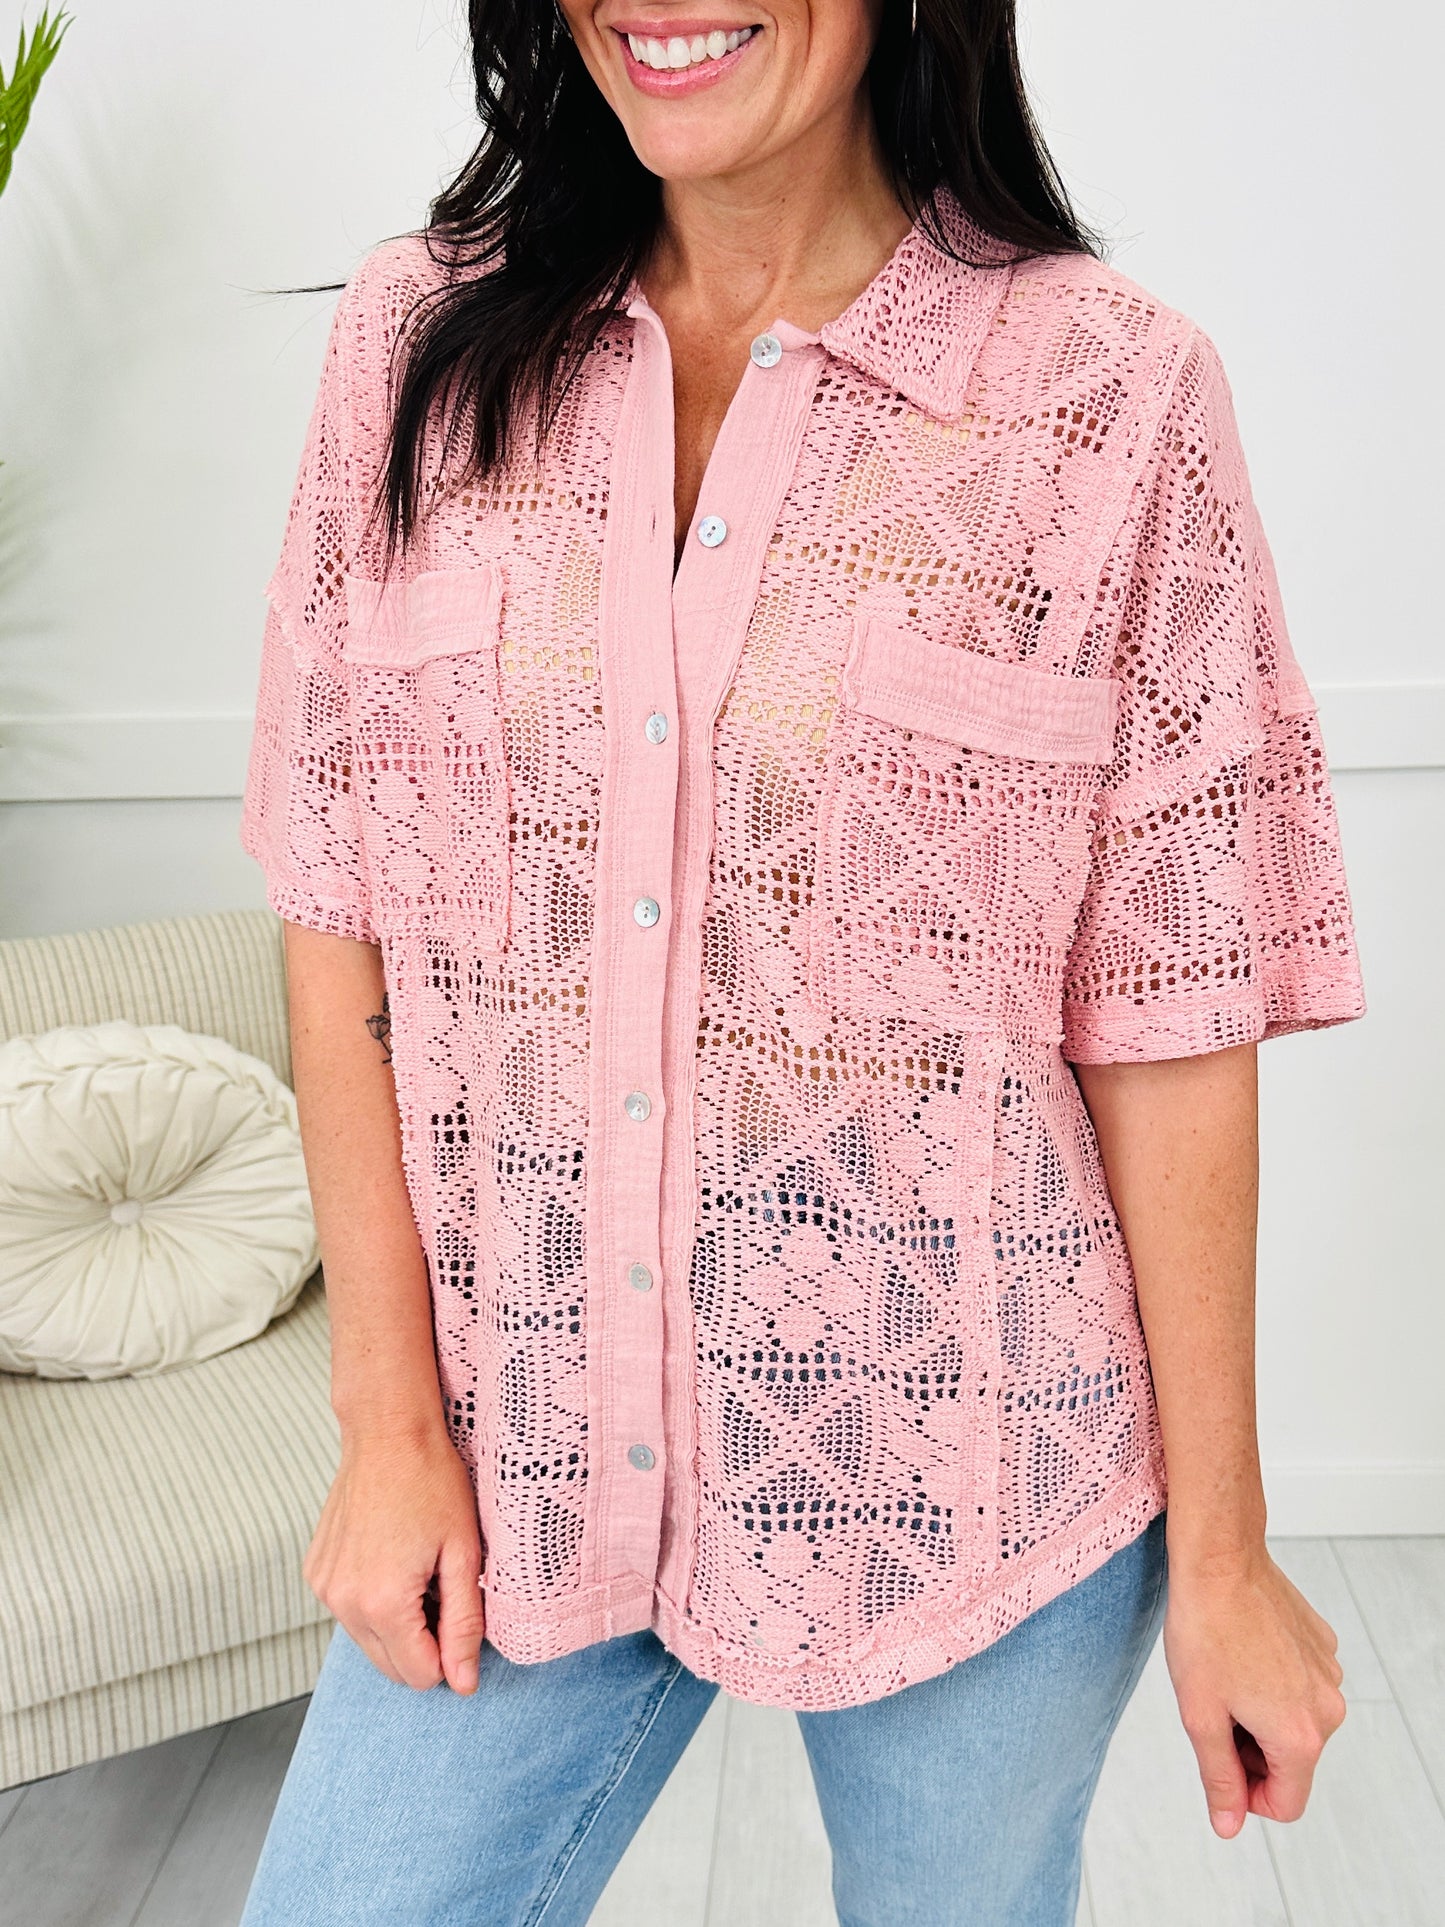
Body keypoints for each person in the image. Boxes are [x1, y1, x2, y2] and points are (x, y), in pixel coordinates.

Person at [237, 3, 1366, 1922]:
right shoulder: (412, 345)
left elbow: (1166, 1015)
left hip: (970, 1462)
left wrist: (1226, 1555)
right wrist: (387, 1427)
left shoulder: (1107, 397)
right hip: (520, 1451)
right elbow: (341, 895)